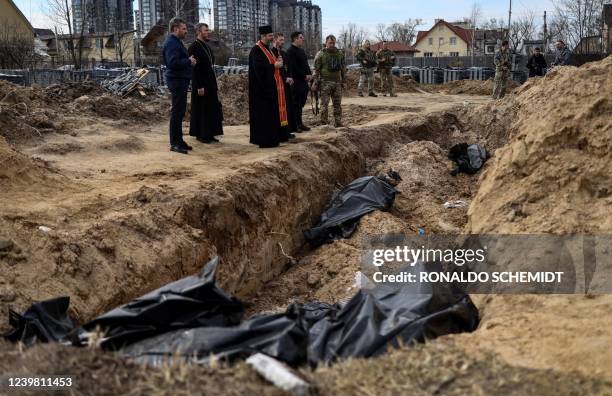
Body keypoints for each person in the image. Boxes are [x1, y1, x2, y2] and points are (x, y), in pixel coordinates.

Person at [248, 25, 289, 148]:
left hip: (271, 89)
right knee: (264, 116)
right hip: (261, 91)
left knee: (271, 115)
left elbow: (271, 64)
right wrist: (274, 66)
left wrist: (278, 63)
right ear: (264, 36)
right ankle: (265, 141)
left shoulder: (268, 49)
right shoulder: (256, 50)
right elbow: (259, 70)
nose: (272, 37)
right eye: (270, 35)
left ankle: (273, 138)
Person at [162, 17, 197, 154]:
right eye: (183, 29)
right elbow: (172, 63)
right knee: (176, 113)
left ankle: (179, 140)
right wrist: (188, 61)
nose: (186, 31)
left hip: (180, 80)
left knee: (180, 112)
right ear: (175, 29)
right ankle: (174, 143)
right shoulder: (171, 43)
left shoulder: (177, 42)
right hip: (176, 81)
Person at [188, 23, 223, 144]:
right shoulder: (193, 47)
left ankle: (210, 133)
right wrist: (199, 86)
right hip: (201, 84)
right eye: (206, 30)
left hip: (210, 83)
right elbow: (195, 69)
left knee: (211, 109)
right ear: (199, 32)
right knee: (202, 109)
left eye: (208, 30)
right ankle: (202, 134)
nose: (208, 32)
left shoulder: (206, 46)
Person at [313, 34, 346, 127]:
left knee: (337, 104)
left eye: (333, 43)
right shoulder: (321, 54)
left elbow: (343, 68)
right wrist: (315, 82)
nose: (332, 44)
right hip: (325, 83)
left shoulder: (340, 54)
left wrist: (344, 81)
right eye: (330, 43)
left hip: (337, 82)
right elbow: (316, 69)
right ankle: (324, 123)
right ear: (326, 43)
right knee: (324, 104)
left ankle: (338, 122)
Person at [271, 32, 297, 140]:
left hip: (286, 85)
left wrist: (290, 77)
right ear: (275, 40)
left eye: (283, 40)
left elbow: (288, 68)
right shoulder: (271, 53)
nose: (283, 42)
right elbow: (276, 70)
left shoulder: (284, 53)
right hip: (277, 85)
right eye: (280, 40)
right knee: (280, 109)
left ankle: (287, 131)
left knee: (287, 108)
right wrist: (284, 78)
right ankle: (281, 133)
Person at [286, 31, 312, 131]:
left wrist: (309, 74)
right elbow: (294, 68)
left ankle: (300, 123)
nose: (303, 39)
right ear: (295, 39)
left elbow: (305, 64)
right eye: (301, 37)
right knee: (296, 104)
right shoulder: (290, 51)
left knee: (301, 103)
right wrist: (304, 76)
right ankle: (295, 125)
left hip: (304, 81)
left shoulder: (301, 51)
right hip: (296, 82)